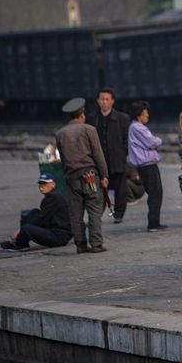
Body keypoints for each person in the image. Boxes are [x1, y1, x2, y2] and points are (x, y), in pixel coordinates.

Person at [55, 97, 109, 254]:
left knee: (76, 213)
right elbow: (98, 155)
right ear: (82, 114)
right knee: (94, 210)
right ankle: (96, 244)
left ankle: (80, 244)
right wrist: (104, 174)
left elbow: (63, 159)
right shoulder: (89, 129)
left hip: (72, 178)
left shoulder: (60, 134)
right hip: (90, 176)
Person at [87, 87, 130, 224]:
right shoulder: (92, 119)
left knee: (120, 189)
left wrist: (123, 153)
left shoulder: (122, 118)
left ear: (112, 101)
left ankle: (119, 214)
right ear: (97, 101)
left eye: (107, 99)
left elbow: (127, 139)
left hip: (117, 158)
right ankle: (96, 214)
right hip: (99, 160)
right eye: (101, 99)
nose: (104, 102)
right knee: (98, 189)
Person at [0, 174, 72, 251]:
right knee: (31, 213)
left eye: (45, 184)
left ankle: (20, 244)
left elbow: (41, 218)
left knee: (26, 228)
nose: (41, 186)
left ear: (53, 184)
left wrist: (19, 231)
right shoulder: (54, 195)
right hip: (59, 232)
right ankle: (20, 240)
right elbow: (41, 216)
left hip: (59, 237)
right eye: (40, 184)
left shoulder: (53, 197)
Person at [128, 101, 166, 232]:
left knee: (156, 193)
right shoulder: (138, 127)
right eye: (145, 113)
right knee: (156, 193)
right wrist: (159, 140)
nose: (148, 115)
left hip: (147, 165)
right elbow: (152, 142)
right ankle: (153, 223)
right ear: (139, 115)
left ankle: (155, 222)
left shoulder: (136, 127)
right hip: (147, 165)